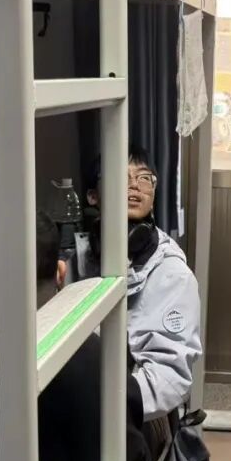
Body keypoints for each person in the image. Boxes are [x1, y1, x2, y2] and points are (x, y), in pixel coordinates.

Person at [78, 146, 202, 420]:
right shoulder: (78, 259)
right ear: (93, 196)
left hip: (130, 415)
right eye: (121, 176)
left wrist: (100, 403)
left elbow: (170, 377)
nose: (134, 185)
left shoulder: (172, 274)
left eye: (145, 178)